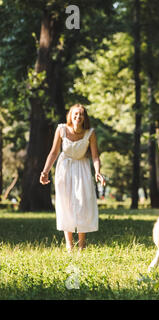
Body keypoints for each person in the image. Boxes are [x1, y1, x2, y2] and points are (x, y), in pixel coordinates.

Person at [40, 104, 106, 252]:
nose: (78, 117)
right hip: (64, 167)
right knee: (66, 203)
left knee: (83, 203)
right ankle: (69, 245)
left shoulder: (90, 133)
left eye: (81, 114)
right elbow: (54, 152)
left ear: (85, 118)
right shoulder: (61, 129)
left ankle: (82, 244)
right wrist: (45, 171)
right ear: (70, 115)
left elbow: (95, 156)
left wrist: (97, 171)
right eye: (75, 114)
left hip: (82, 167)